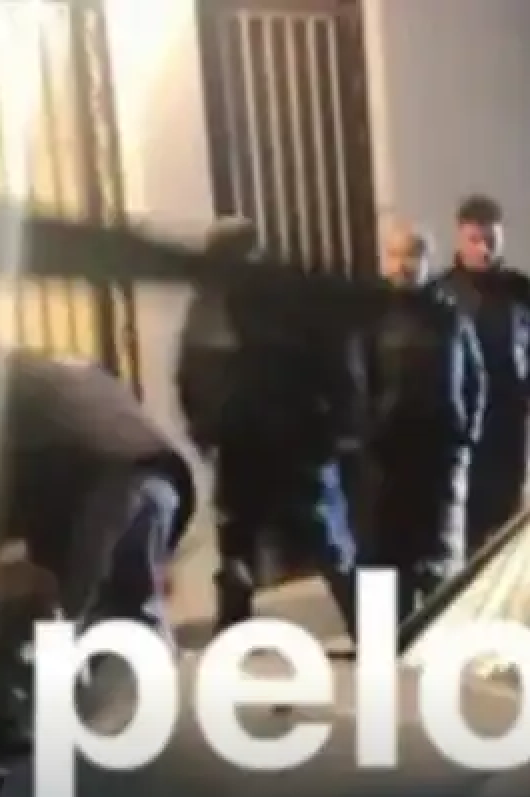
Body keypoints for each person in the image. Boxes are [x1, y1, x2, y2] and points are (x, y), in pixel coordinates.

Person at [176, 216, 362, 639]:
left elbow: (191, 377)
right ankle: (373, 637)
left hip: (275, 442)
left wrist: (204, 429)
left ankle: (234, 638)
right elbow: (192, 376)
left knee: (262, 546)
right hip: (272, 441)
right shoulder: (221, 302)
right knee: (308, 546)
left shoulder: (224, 302)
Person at [0, 348, 199, 644]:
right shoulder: (43, 369)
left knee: (73, 620)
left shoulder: (18, 383)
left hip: (107, 485)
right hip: (162, 475)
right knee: (137, 611)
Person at [361, 220, 485, 613]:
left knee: (442, 558)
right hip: (387, 457)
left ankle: (442, 632)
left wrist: (467, 434)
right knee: (387, 560)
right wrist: (366, 434)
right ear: (384, 260)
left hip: (441, 454)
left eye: (413, 255)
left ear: (427, 261)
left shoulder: (450, 316)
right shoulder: (371, 319)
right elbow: (356, 379)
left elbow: (475, 378)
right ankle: (393, 637)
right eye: (396, 255)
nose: (404, 265)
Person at [438, 194, 530, 555]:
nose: (484, 249)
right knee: (467, 517)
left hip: (509, 419)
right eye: (475, 240)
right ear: (460, 238)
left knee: (511, 515)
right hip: (465, 424)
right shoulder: (444, 292)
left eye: (490, 240)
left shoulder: (519, 288)